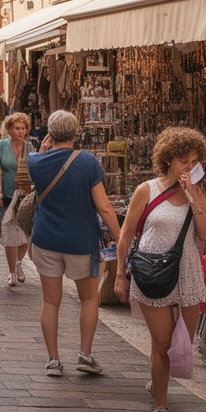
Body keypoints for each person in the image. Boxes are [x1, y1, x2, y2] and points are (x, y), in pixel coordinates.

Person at [114, 127, 206, 412]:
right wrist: (120, 274)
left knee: (183, 339)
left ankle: (158, 380)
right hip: (151, 270)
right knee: (163, 342)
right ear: (168, 159)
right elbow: (126, 235)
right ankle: (161, 405)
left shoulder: (197, 193)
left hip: (187, 271)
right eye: (184, 160)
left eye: (194, 161)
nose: (188, 166)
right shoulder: (148, 189)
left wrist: (194, 197)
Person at [28, 110, 122, 378]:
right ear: (76, 132)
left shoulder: (36, 161)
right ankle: (85, 354)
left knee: (50, 300)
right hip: (80, 239)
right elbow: (104, 207)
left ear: (50, 133)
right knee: (89, 298)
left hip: (45, 238)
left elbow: (37, 168)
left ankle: (53, 360)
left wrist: (44, 149)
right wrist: (121, 238)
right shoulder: (87, 162)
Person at [0, 113, 36, 286]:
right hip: (7, 194)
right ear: (9, 129)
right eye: (17, 128)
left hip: (25, 195)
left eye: (23, 128)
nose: (21, 131)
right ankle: (11, 272)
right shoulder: (1, 146)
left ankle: (19, 263)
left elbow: (35, 168)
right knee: (10, 235)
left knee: (24, 234)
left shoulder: (30, 147)